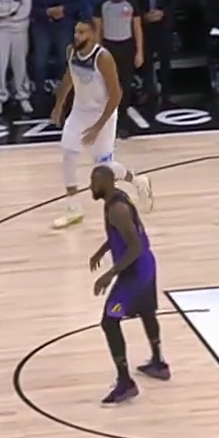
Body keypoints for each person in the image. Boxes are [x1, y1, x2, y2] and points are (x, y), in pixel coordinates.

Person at [51, 19, 151, 230]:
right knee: (68, 152)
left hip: (103, 114)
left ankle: (137, 180)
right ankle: (73, 208)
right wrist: (59, 106)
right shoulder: (71, 51)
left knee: (103, 167)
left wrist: (98, 126)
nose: (77, 36)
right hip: (79, 112)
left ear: (93, 35)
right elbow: (69, 77)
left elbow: (116, 95)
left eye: (82, 32)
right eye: (75, 31)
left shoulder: (103, 58)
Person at [86, 165, 165, 405]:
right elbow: (122, 234)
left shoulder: (117, 209)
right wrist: (102, 250)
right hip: (146, 265)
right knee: (146, 311)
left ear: (106, 182)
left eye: (94, 182)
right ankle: (158, 363)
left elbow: (134, 246)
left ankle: (125, 383)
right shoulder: (117, 198)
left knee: (110, 321)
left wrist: (109, 274)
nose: (90, 187)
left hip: (134, 272)